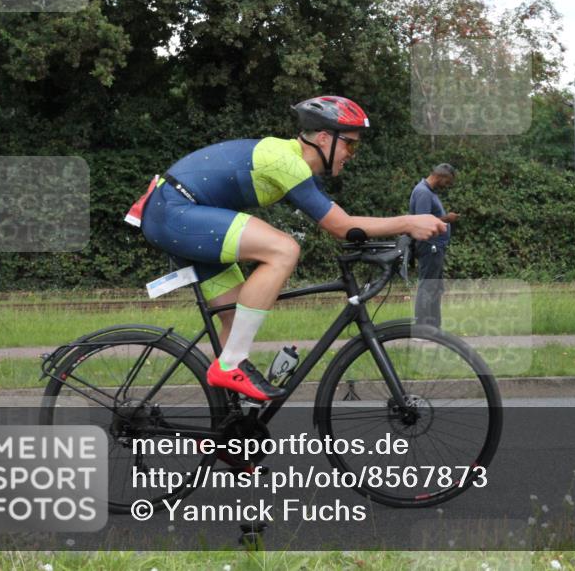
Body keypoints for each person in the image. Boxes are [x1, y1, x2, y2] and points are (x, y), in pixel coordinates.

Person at [133, 96, 446, 401]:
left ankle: (231, 420)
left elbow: (347, 226)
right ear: (324, 138)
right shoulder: (286, 162)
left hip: (179, 215)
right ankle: (230, 365)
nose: (352, 154)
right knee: (283, 249)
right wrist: (408, 222)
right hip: (174, 212)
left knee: (235, 318)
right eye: (350, 144)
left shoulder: (297, 167)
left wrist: (389, 238)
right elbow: (341, 227)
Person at [408, 163, 458, 328]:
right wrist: (447, 219)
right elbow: (422, 222)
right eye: (447, 182)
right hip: (430, 246)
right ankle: (422, 328)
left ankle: (434, 328)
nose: (447, 186)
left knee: (434, 287)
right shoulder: (423, 192)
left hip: (435, 247)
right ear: (440, 176)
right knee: (427, 286)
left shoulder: (429, 192)